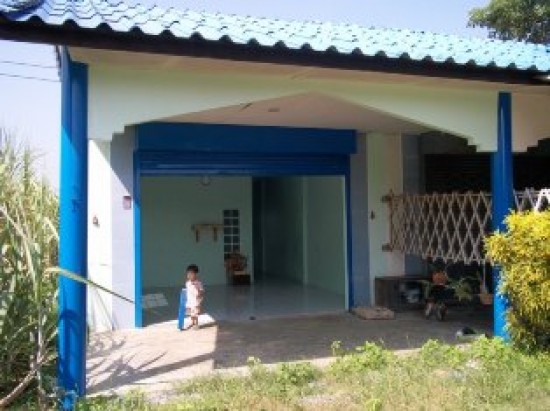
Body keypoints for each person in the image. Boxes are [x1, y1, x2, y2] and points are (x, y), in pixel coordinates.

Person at [185, 264, 204, 330]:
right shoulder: (187, 283)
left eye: (191, 273)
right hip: (189, 301)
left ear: (195, 274)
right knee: (191, 313)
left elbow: (201, 291)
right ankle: (192, 322)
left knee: (195, 313)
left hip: (195, 301)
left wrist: (199, 296)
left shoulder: (198, 283)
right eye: (188, 273)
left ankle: (196, 324)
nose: (189, 275)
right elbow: (187, 291)